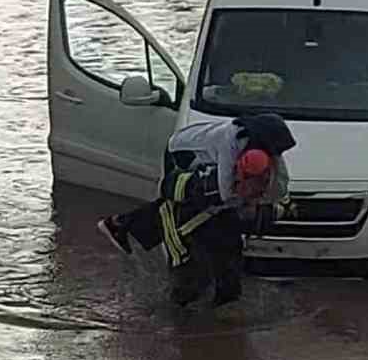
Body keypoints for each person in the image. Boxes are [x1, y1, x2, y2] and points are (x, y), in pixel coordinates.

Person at [96, 113, 294, 307]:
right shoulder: (229, 145)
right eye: (254, 183)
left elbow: (280, 185)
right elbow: (225, 193)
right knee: (182, 209)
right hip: (180, 152)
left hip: (208, 193)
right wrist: (248, 202)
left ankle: (121, 224)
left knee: (216, 233)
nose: (259, 188)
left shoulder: (263, 149)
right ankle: (122, 225)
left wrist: (263, 200)